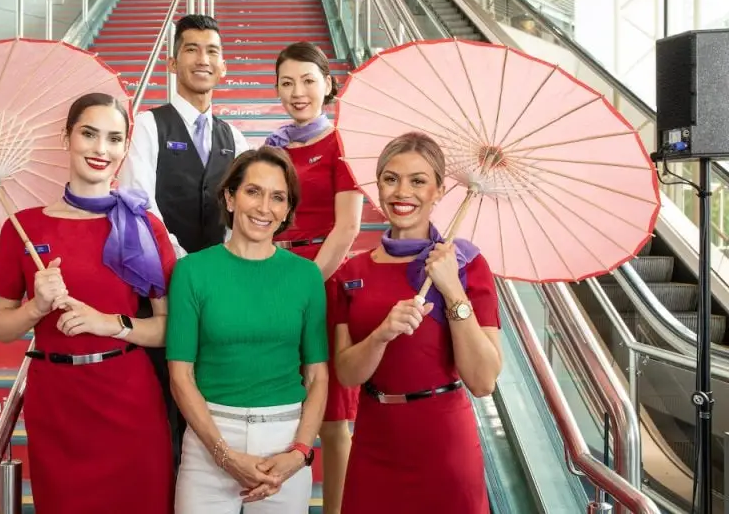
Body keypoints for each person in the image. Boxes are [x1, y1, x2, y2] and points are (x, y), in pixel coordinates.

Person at [0, 93, 176, 514]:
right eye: (89, 134)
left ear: (125, 147)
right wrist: (36, 307)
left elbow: (167, 329)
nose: (100, 149)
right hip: (57, 404)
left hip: (128, 398)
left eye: (114, 138)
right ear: (66, 137)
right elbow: (1, 327)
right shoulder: (23, 227)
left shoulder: (144, 226)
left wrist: (110, 323)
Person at [331, 132, 503, 513]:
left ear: (439, 191)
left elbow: (483, 381)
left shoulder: (468, 265)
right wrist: (380, 335)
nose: (402, 192)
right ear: (378, 187)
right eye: (390, 179)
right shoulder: (352, 273)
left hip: (444, 445)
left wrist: (452, 290)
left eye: (418, 181)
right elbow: (346, 373)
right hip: (374, 444)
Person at [119, 14, 252, 470]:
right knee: (164, 403)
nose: (202, 59)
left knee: (213, 396)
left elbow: (244, 216)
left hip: (220, 290)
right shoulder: (148, 125)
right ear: (173, 63)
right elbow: (139, 204)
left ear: (223, 66)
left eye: (212, 50)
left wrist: (222, 268)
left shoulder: (235, 137)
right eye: (191, 49)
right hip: (160, 289)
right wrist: (183, 264)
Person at [166, 146, 329, 514]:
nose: (264, 207)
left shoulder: (306, 276)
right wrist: (224, 456)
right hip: (209, 443)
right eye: (253, 191)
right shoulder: (191, 271)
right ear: (230, 197)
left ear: (287, 209)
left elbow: (318, 376)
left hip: (286, 447)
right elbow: (180, 376)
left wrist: (299, 453)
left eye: (278, 197)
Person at [265, 41, 362, 514]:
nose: (297, 92)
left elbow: (348, 229)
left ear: (327, 83)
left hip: (324, 282)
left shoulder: (343, 143)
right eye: (287, 83)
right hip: (275, 277)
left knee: (333, 418)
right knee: (281, 406)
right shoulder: (273, 148)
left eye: (307, 80)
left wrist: (303, 285)